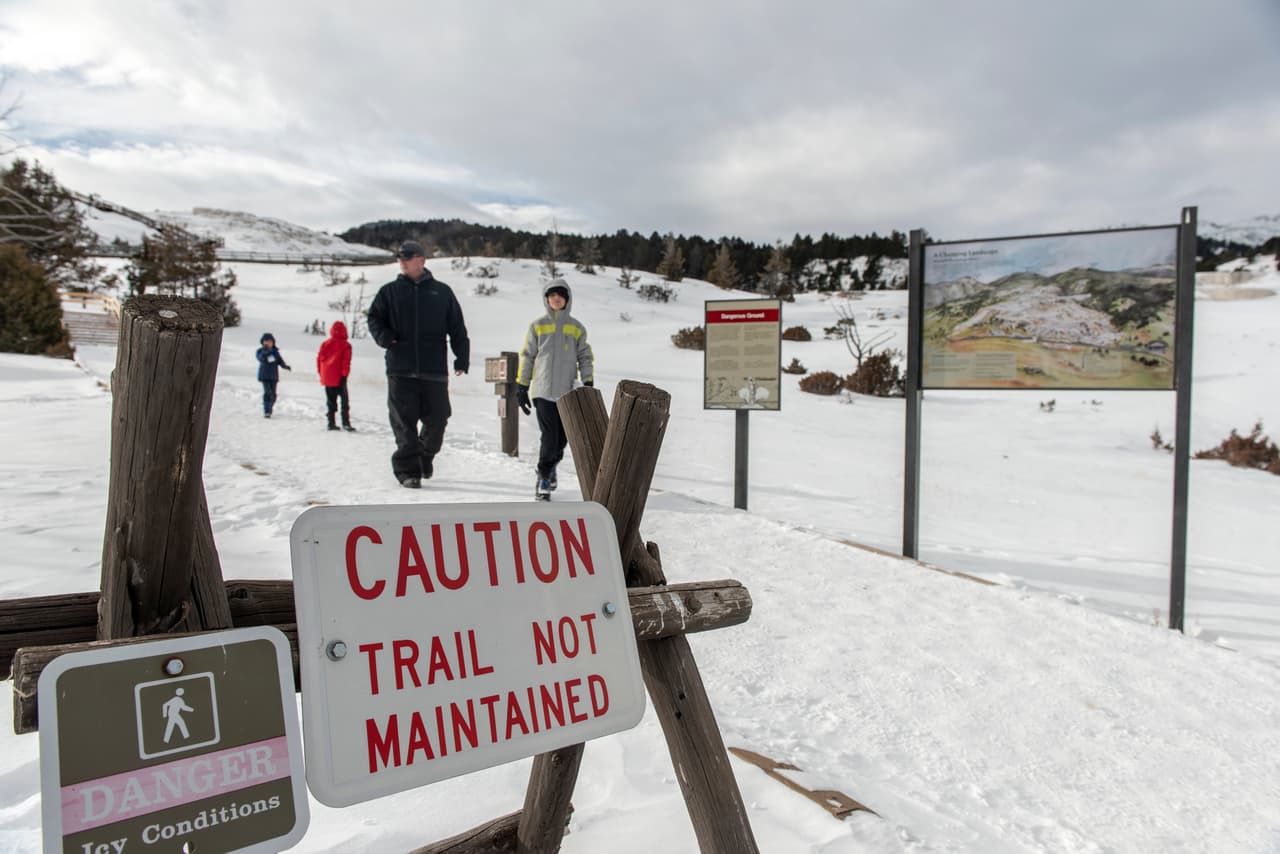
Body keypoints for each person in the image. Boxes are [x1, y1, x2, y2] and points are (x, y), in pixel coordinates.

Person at [367, 241, 470, 488]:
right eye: (400, 257)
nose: (402, 260)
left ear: (422, 260)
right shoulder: (388, 292)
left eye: (408, 256)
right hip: (400, 368)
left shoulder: (442, 292)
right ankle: (407, 471)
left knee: (439, 419)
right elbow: (374, 319)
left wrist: (462, 357)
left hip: (434, 369)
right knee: (404, 423)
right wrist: (386, 338)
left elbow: (457, 327)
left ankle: (425, 455)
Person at [515, 278, 594, 500]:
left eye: (560, 295)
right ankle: (544, 477)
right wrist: (522, 385)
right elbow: (528, 356)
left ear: (567, 299)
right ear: (546, 299)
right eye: (551, 295)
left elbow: (584, 356)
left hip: (567, 393)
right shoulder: (537, 326)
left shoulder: (576, 327)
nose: (556, 298)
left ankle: (549, 468)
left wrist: (588, 382)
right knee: (550, 437)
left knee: (563, 439)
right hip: (542, 390)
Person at [316, 319, 354, 431]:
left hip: (327, 377)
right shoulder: (346, 345)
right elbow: (345, 361)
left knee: (330, 401)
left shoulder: (325, 344)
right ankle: (345, 423)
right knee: (344, 401)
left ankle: (331, 422)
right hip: (340, 378)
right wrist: (344, 375)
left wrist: (321, 374)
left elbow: (319, 360)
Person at [255, 332, 291, 418]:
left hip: (274, 376)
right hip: (264, 376)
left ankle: (270, 407)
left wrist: (285, 366)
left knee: (273, 394)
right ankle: (267, 411)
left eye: (270, 341)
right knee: (268, 393)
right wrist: (265, 351)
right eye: (266, 341)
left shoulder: (275, 352)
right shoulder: (260, 351)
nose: (268, 343)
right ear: (263, 342)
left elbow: (280, 361)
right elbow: (260, 358)